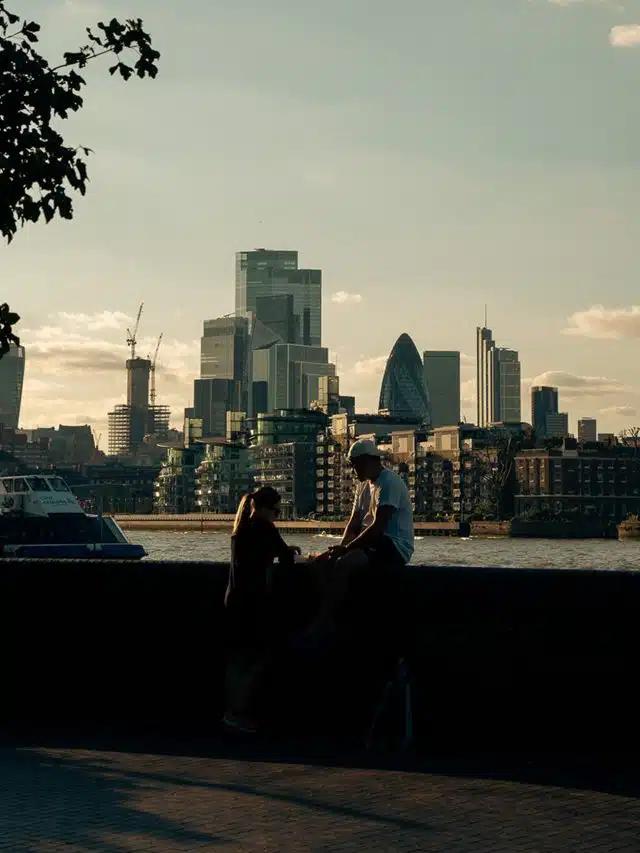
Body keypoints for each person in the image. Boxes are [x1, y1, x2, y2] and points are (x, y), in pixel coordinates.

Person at [302, 438, 414, 643]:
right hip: (372, 543)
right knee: (326, 562)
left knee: (345, 564)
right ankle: (328, 612)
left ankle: (326, 619)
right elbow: (354, 524)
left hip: (393, 545)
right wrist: (339, 548)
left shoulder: (389, 483)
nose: (354, 470)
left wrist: (344, 551)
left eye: (356, 465)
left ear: (370, 461)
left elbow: (378, 529)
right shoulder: (362, 486)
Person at [223, 486, 300, 733]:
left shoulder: (240, 529)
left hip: (234, 599)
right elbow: (285, 558)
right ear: (265, 508)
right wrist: (293, 552)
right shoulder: (264, 528)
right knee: (256, 658)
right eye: (276, 510)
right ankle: (239, 711)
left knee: (237, 660)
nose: (277, 515)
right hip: (253, 601)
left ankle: (231, 711)